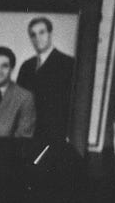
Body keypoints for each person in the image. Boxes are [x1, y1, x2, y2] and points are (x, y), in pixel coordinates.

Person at [16, 16, 75, 144]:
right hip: (27, 135)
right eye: (33, 34)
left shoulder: (69, 64)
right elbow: (18, 102)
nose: (37, 38)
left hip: (55, 136)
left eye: (42, 32)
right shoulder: (26, 66)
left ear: (50, 33)